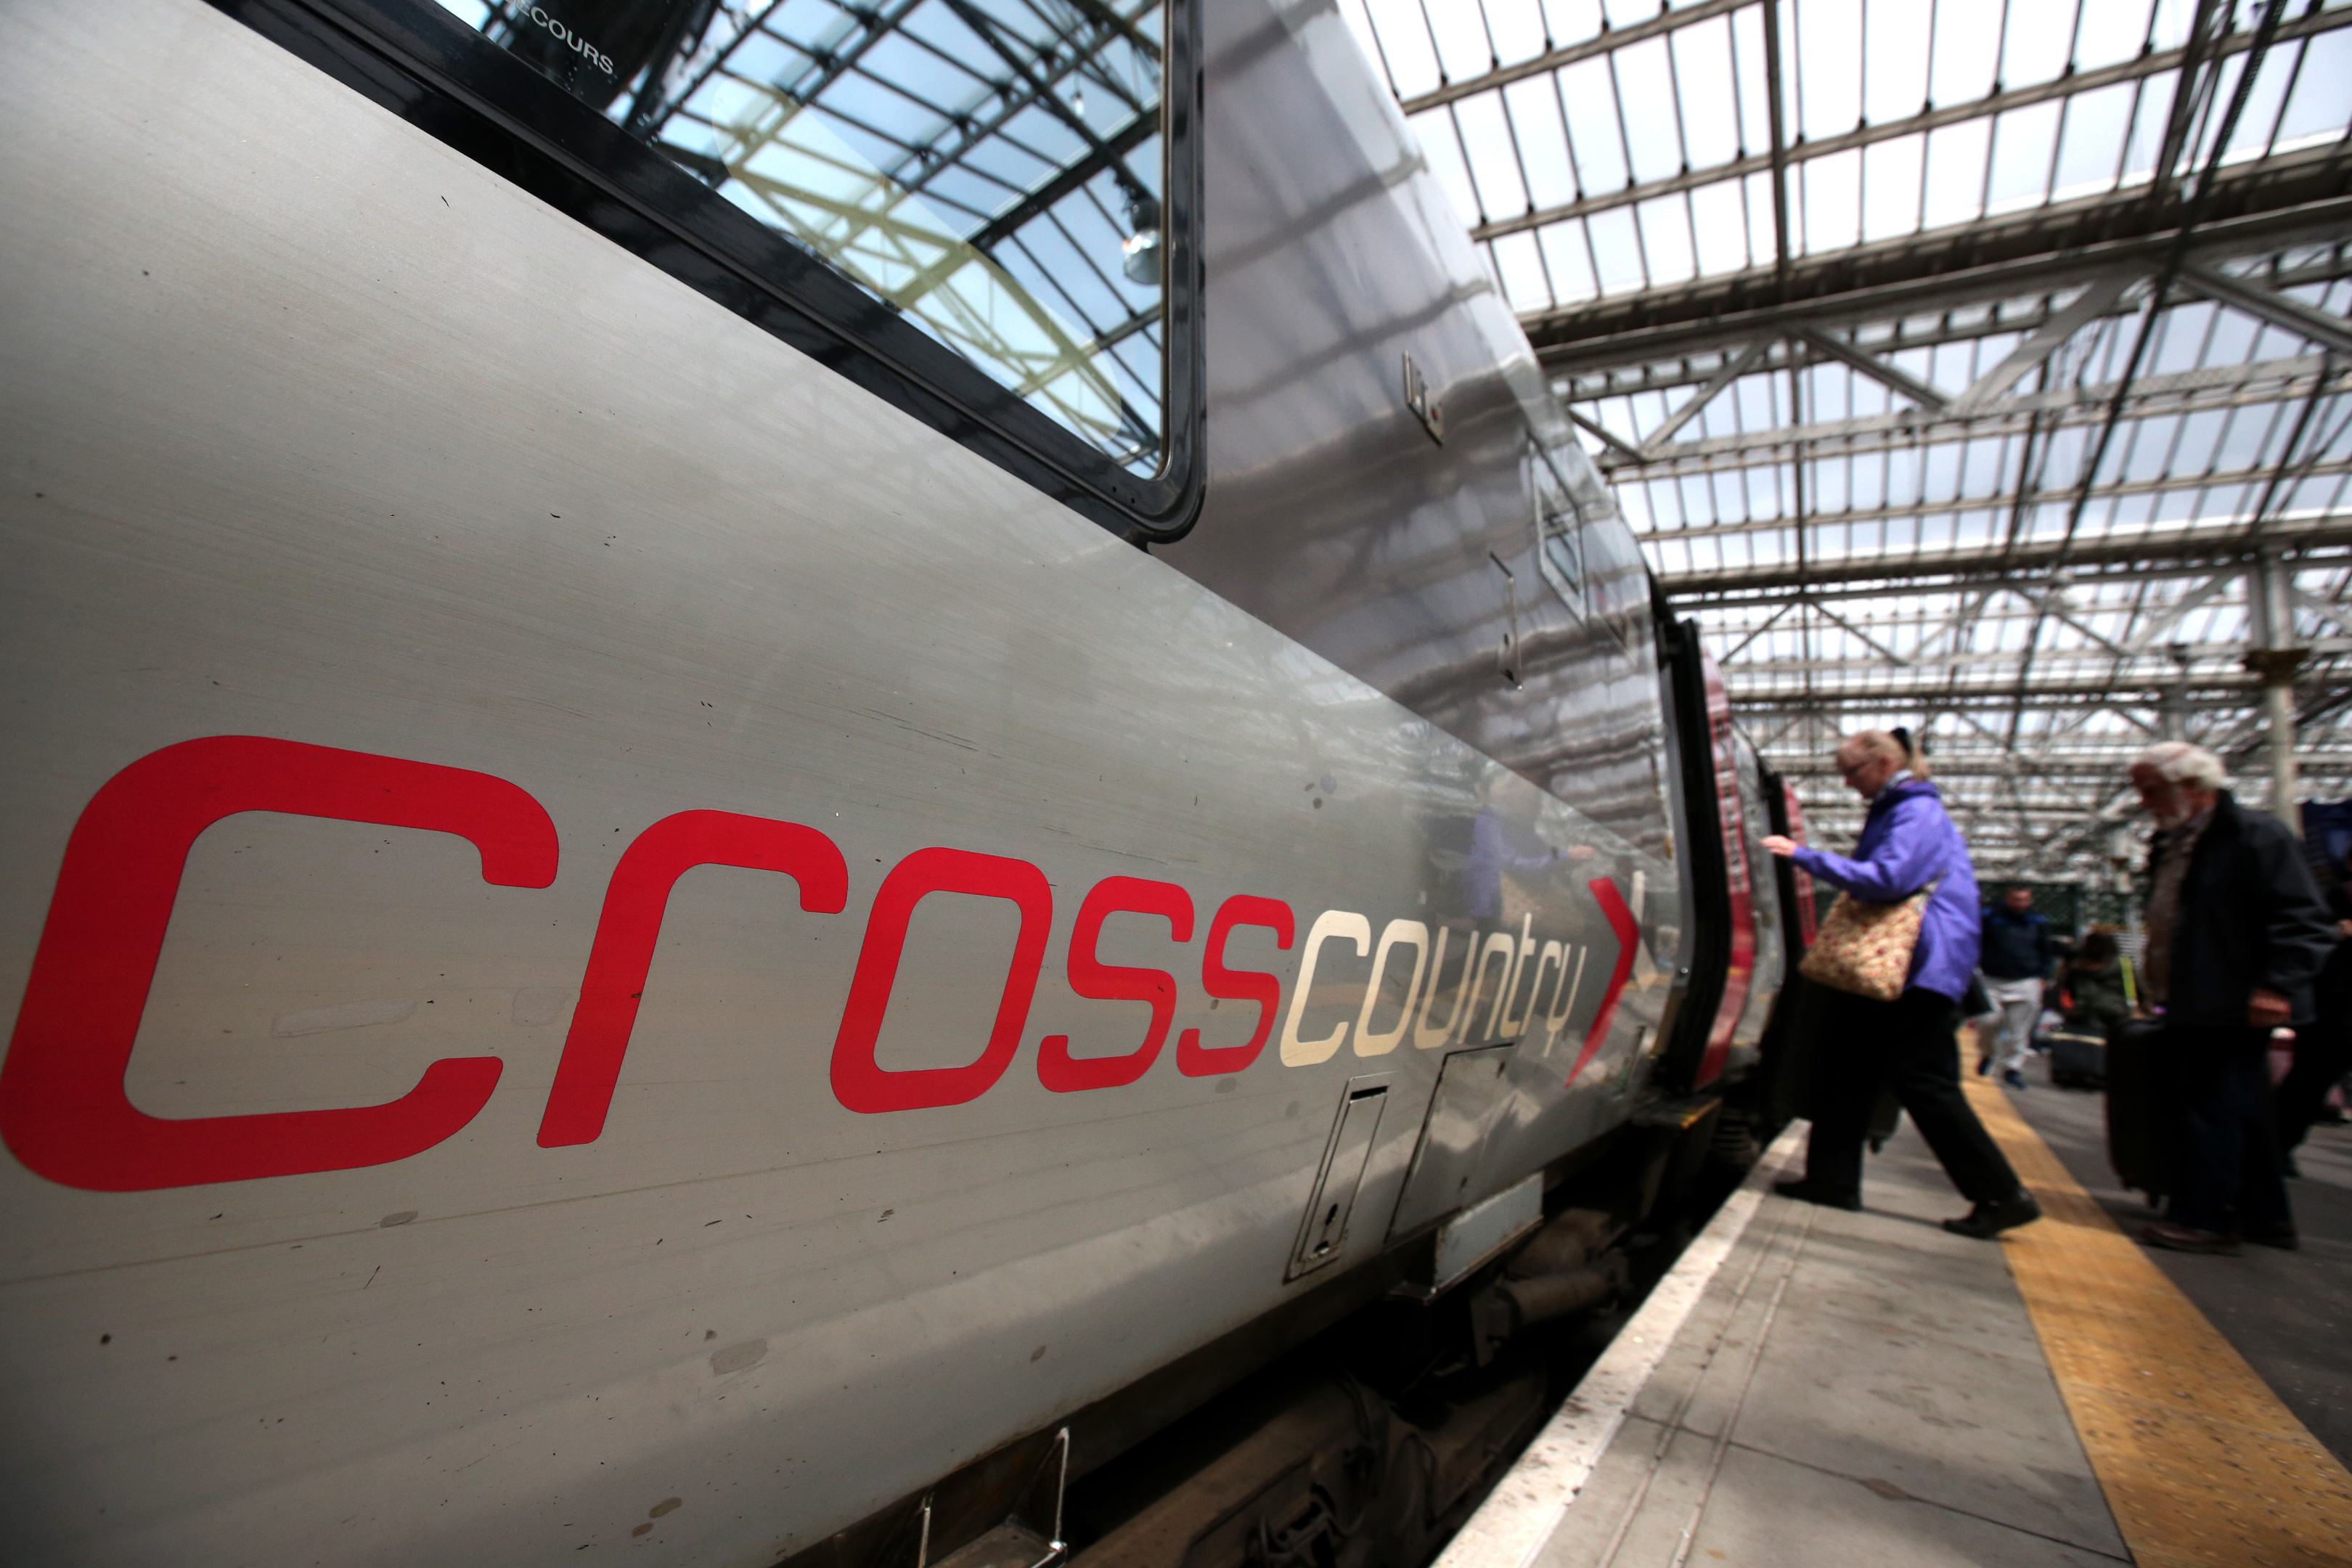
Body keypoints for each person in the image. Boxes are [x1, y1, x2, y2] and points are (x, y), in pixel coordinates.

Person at [1761, 729, 2041, 1239]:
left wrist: (1803, 856)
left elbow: (1889, 878)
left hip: (1918, 966)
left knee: (1925, 1080)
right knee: (1849, 1067)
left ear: (1886, 763)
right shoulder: (1898, 808)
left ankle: (2002, 1193)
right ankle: (1832, 1180)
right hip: (1903, 966)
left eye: (1853, 772)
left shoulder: (1917, 810)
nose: (1848, 785)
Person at [2128, 742, 2337, 1255]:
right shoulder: (2175, 841)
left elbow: (2305, 920)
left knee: (2210, 1105)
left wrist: (2278, 985)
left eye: (2152, 790)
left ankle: (2206, 1218)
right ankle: (2266, 1216)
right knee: (2242, 1107)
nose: (2144, 801)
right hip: (2197, 994)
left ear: (2193, 788)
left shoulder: (2253, 836)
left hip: (2232, 997)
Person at [2274, 846, 2352, 1174]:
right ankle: (2276, 1145)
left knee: (2313, 1078)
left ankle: (2276, 1144)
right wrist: (2336, 933)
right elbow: (2303, 939)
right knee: (2310, 1078)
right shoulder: (2328, 900)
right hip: (2329, 1007)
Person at [1978, 886, 2057, 1088]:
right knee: (1987, 1021)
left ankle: (2012, 1068)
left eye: (2025, 900)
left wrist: (2043, 976)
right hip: (1992, 978)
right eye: (2016, 899)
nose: (2021, 904)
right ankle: (1987, 1053)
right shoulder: (1991, 917)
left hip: (2026, 980)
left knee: (2019, 1031)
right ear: (2007, 899)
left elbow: (2046, 950)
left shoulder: (2037, 921)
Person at [2057, 931, 2133, 1037]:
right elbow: (2139, 989)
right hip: (2115, 1013)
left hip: (2083, 1013)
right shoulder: (2123, 964)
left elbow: (2065, 987)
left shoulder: (2077, 966)